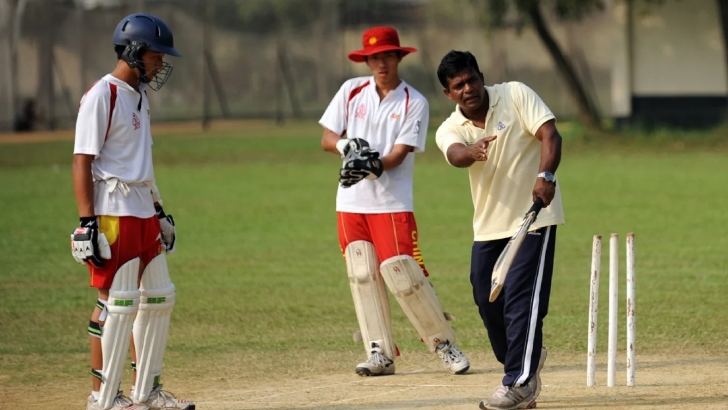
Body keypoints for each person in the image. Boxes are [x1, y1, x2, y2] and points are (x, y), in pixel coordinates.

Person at [319, 26, 470, 377]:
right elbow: (328, 136)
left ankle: (444, 344)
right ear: (367, 60)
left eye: (387, 55)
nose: (380, 63)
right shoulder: (351, 90)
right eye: (374, 57)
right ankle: (379, 352)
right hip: (350, 203)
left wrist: (371, 165)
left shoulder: (413, 101)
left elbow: (399, 154)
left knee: (402, 274)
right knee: (362, 274)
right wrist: (344, 147)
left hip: (391, 203)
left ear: (398, 57)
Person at [70, 12, 194, 410]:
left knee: (157, 298)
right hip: (112, 212)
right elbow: (82, 160)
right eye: (157, 55)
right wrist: (86, 222)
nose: (160, 63)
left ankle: (147, 392)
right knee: (116, 303)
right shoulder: (102, 95)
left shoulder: (139, 95)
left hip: (142, 209)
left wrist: (159, 211)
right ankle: (103, 398)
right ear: (135, 51)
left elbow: (141, 162)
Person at [434, 50, 565, 410]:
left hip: (534, 217)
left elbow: (550, 135)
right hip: (488, 228)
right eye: (458, 85)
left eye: (471, 79)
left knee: (521, 303)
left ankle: (519, 383)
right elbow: (455, 154)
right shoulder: (450, 128)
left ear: (480, 75)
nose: (468, 89)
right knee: (486, 300)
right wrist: (471, 150)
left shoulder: (515, 94)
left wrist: (546, 176)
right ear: (448, 94)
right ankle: (527, 360)